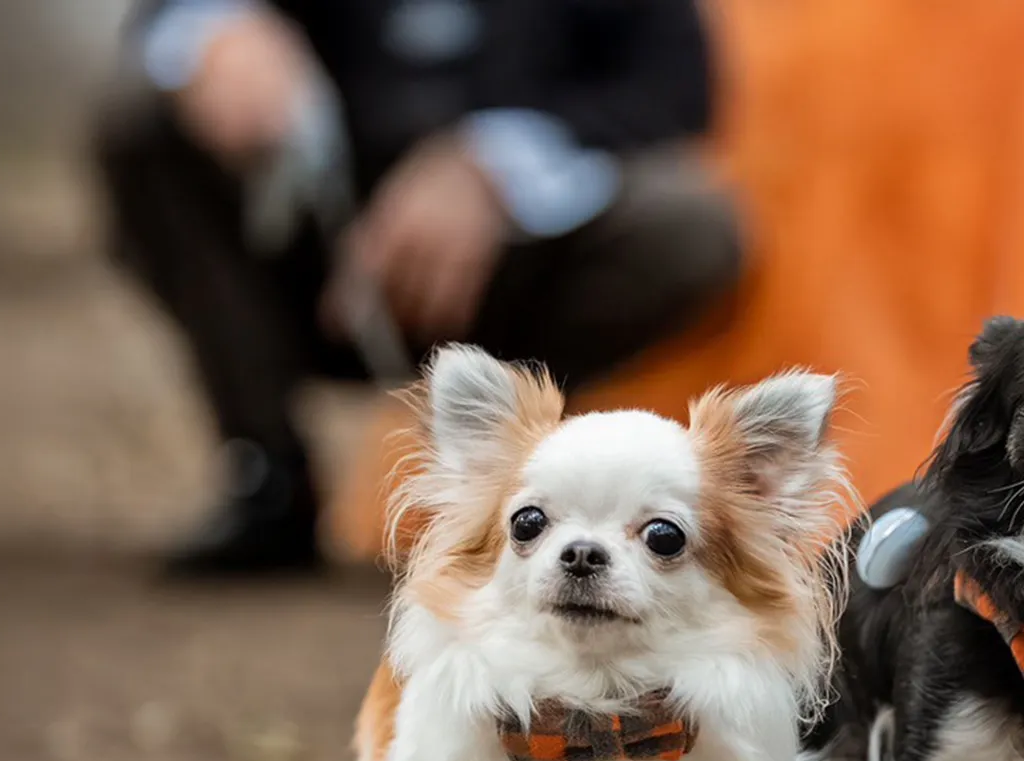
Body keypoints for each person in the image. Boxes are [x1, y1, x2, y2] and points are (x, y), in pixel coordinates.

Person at [95, 0, 745, 576]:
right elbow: (163, 18)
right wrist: (214, 26)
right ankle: (265, 469)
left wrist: (491, 163)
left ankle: (513, 479)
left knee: (688, 225)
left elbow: (675, 90)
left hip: (520, 266)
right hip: (307, 253)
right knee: (143, 114)